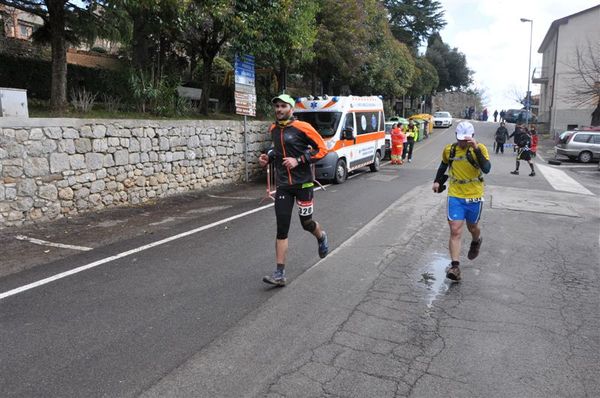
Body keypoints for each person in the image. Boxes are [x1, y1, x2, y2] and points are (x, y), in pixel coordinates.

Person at [258, 94, 329, 287]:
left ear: (291, 109)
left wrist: (299, 160)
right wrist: (268, 157)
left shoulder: (302, 127)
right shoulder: (274, 128)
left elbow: (322, 149)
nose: (279, 109)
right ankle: (279, 273)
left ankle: (321, 236)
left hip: (303, 184)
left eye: (283, 106)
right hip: (283, 186)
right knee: (282, 228)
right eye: (277, 106)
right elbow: (277, 150)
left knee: (306, 223)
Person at [432, 121, 491, 281]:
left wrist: (476, 148)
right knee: (455, 229)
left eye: (465, 140)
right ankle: (455, 266)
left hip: (474, 195)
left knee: (473, 227)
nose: (462, 143)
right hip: (455, 194)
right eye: (460, 140)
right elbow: (443, 165)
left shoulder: (480, 149)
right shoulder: (450, 149)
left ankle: (476, 240)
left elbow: (486, 168)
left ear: (471, 137)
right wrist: (438, 181)